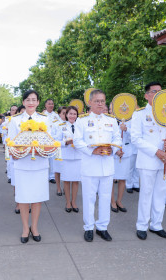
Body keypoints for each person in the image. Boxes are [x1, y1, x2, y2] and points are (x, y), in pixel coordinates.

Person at [74, 89, 122, 242]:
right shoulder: (81, 121)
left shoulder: (111, 120)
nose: (101, 104)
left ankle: (102, 227)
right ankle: (88, 227)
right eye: (97, 101)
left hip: (107, 166)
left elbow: (117, 138)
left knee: (106, 197)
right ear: (90, 103)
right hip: (90, 166)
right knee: (89, 199)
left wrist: (112, 149)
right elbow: (77, 141)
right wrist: (92, 151)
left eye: (103, 101)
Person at [131, 82, 166, 240]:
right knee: (146, 193)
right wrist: (156, 151)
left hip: (165, 160)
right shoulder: (139, 114)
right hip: (149, 160)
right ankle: (142, 225)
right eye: (154, 91)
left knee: (161, 194)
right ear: (146, 95)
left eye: (160, 92)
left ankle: (157, 225)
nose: (158, 94)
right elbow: (135, 139)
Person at [8, 90, 50, 243]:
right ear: (23, 102)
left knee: (37, 198)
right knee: (24, 198)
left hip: (39, 163)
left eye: (34, 99)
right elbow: (10, 143)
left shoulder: (45, 120)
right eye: (28, 99)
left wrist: (42, 151)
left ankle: (35, 227)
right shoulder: (15, 120)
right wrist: (18, 152)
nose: (31, 102)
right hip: (22, 164)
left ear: (38, 102)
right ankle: (25, 228)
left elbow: (50, 141)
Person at [55, 106, 81, 212]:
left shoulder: (80, 126)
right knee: (66, 180)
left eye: (74, 114)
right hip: (66, 156)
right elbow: (56, 141)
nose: (72, 116)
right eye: (70, 113)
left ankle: (74, 201)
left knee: (75, 181)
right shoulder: (61, 126)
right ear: (66, 115)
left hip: (78, 156)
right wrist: (65, 142)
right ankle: (68, 202)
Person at [110, 116, 133, 213]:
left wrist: (127, 129)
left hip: (126, 153)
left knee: (122, 178)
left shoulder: (131, 120)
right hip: (113, 154)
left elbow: (136, 135)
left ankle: (119, 201)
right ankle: (112, 202)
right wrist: (116, 151)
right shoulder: (111, 120)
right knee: (111, 179)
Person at [12, 105, 25, 214]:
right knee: (18, 182)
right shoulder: (15, 121)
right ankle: (18, 203)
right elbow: (11, 140)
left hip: (31, 156)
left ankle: (27, 203)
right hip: (18, 155)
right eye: (22, 111)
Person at [43, 99, 60, 184]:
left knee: (53, 160)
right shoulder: (42, 115)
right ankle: (44, 176)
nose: (51, 105)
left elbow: (58, 128)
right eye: (49, 104)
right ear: (45, 105)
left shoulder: (56, 116)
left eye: (52, 104)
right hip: (44, 140)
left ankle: (52, 176)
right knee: (44, 159)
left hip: (53, 140)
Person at [53, 106, 67, 195]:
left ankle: (66, 188)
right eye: (63, 113)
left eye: (66, 113)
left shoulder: (71, 123)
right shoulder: (56, 124)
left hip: (68, 149)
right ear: (59, 114)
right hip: (58, 149)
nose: (65, 115)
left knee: (66, 169)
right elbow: (52, 137)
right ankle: (58, 188)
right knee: (58, 170)